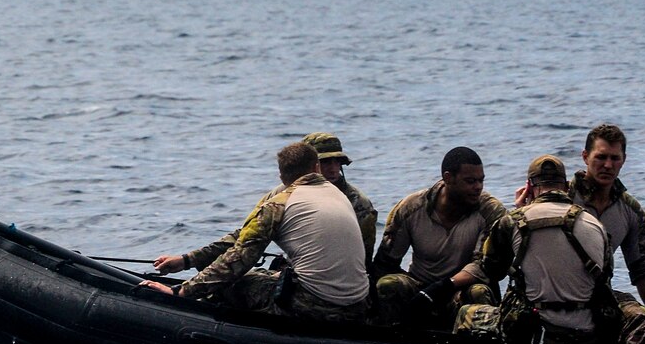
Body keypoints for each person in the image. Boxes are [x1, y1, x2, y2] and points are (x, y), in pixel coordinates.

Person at [141, 141, 370, 320]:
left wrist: (181, 292)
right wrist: (187, 260)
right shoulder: (341, 195)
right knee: (266, 277)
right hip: (358, 305)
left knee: (235, 281)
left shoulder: (279, 203)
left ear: (281, 176)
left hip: (316, 307)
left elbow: (239, 257)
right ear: (316, 168)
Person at [455, 154, 615, 344]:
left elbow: (491, 270)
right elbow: (606, 278)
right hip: (587, 336)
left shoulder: (512, 221)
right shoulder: (596, 225)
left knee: (466, 313)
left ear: (529, 187)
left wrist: (519, 211)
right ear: (566, 187)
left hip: (535, 336)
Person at [371, 146, 506, 327]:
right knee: (388, 284)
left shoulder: (490, 211)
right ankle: (396, 343)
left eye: (481, 181)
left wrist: (441, 288)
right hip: (420, 287)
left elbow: (484, 266)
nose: (478, 187)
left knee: (479, 291)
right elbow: (385, 262)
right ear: (448, 178)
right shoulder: (411, 208)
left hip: (459, 288)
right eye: (470, 181)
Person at [568, 124, 645, 344]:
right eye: (601, 157)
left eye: (615, 158)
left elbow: (643, 269)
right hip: (553, 293)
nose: (608, 165)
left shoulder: (631, 212)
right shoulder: (561, 197)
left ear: (624, 160)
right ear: (585, 157)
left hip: (599, 296)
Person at [300, 131, 377, 256]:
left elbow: (364, 253)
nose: (333, 169)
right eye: (325, 162)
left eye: (337, 162)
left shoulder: (357, 202)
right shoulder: (289, 194)